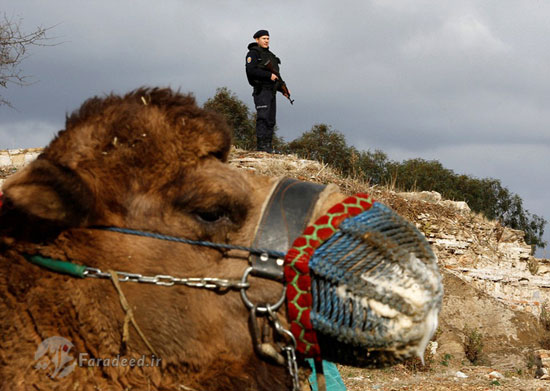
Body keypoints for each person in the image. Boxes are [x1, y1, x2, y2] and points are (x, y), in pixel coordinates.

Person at [245, 29, 290, 153]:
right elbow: (251, 71)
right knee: (263, 117)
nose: (266, 41)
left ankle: (268, 147)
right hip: (261, 90)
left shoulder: (271, 55)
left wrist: (283, 89)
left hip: (272, 91)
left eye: (268, 38)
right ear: (257, 39)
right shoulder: (253, 54)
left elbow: (276, 75)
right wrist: (267, 75)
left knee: (271, 120)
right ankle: (261, 147)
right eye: (264, 38)